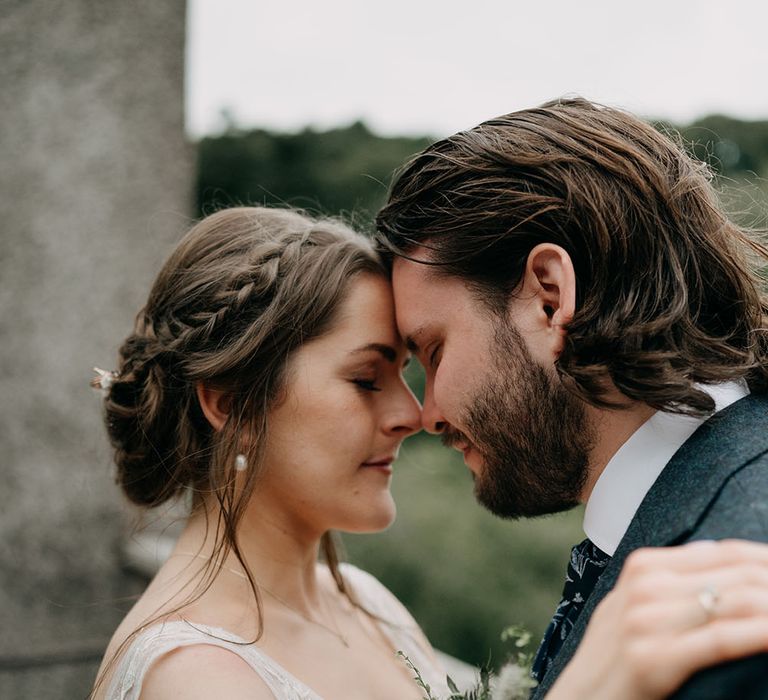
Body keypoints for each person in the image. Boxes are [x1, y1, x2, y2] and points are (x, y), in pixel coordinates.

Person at [92, 206, 768, 700]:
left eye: (412, 370)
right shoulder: (193, 677)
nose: (412, 415)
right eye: (365, 379)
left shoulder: (365, 601)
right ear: (230, 403)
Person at [375, 97, 768, 698]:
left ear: (549, 299)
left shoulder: (738, 583)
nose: (426, 416)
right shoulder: (691, 509)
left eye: (432, 353)